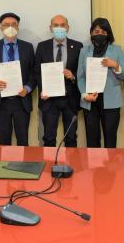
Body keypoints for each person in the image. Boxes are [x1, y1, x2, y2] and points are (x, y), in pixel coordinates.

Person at [0, 13, 36, 146]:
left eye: (14, 24)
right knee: (4, 140)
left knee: (23, 140)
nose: (10, 27)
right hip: (1, 102)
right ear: (1, 28)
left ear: (18, 27)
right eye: (6, 25)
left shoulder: (28, 47)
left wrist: (28, 88)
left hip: (21, 101)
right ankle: (4, 166)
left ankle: (24, 167)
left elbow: (34, 72)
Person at [77, 18, 124, 148]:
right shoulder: (84, 51)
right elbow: (80, 77)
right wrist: (84, 94)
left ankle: (110, 168)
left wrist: (115, 65)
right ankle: (94, 168)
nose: (99, 34)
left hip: (111, 101)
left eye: (103, 32)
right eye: (96, 31)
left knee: (110, 139)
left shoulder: (116, 50)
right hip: (90, 100)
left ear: (108, 33)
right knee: (92, 140)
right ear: (91, 33)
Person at [35, 14, 83, 147]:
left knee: (71, 138)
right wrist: (43, 89)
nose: (59, 28)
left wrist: (72, 76)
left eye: (63, 25)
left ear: (68, 28)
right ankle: (49, 165)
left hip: (70, 99)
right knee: (49, 138)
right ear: (50, 28)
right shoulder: (42, 46)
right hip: (49, 100)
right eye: (56, 25)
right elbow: (37, 72)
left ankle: (71, 166)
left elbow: (83, 72)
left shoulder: (78, 46)